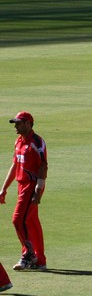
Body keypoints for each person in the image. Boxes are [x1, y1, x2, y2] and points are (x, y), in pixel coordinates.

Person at [0, 112, 48, 271]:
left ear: (28, 123)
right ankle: (40, 260)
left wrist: (38, 190)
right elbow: (15, 166)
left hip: (32, 186)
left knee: (18, 219)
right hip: (22, 186)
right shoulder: (18, 141)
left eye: (19, 123)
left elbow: (43, 166)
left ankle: (28, 254)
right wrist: (4, 188)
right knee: (32, 222)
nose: (15, 126)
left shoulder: (37, 142)